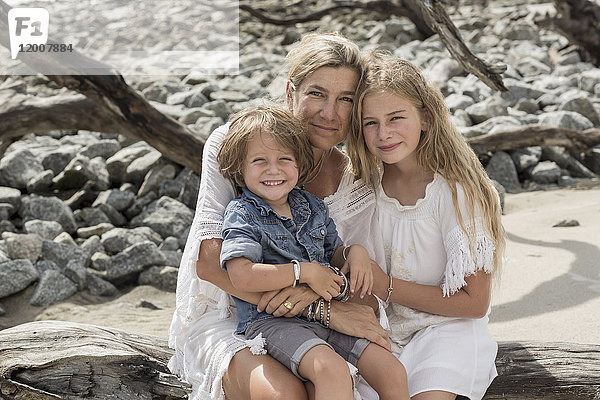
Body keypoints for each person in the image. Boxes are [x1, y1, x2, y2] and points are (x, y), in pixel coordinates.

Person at [168, 32, 391, 400]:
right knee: (286, 393)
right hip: (233, 313)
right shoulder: (234, 144)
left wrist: (350, 267)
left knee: (370, 373)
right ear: (291, 92)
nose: (329, 113)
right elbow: (209, 265)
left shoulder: (356, 177)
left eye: (345, 100)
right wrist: (321, 309)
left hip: (316, 320)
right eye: (317, 93)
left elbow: (354, 280)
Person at [217, 105, 410, 400]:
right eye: (259, 161)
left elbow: (335, 255)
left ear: (299, 163)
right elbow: (241, 276)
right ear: (239, 168)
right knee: (331, 369)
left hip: (325, 314)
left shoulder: (311, 207)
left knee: (392, 370)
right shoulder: (242, 213)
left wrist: (355, 253)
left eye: (285, 159)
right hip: (272, 322)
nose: (273, 169)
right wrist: (303, 272)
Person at [346, 51, 506, 400]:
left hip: (446, 330)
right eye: (370, 122)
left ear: (426, 119)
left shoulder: (456, 192)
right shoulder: (362, 190)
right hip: (383, 333)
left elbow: (475, 302)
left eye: (396, 117)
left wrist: (385, 285)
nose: (383, 133)